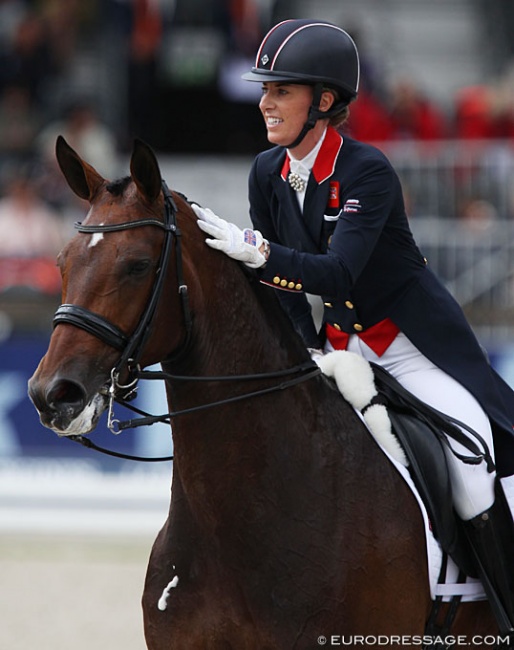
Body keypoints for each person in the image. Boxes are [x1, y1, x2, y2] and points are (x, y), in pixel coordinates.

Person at [191, 19, 514, 632]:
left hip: (414, 350)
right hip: (341, 349)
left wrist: (256, 251)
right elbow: (284, 293)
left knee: (472, 464)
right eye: (265, 90)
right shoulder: (266, 172)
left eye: (281, 91)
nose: (265, 102)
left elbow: (336, 274)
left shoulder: (367, 172)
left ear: (325, 100)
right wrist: (302, 348)